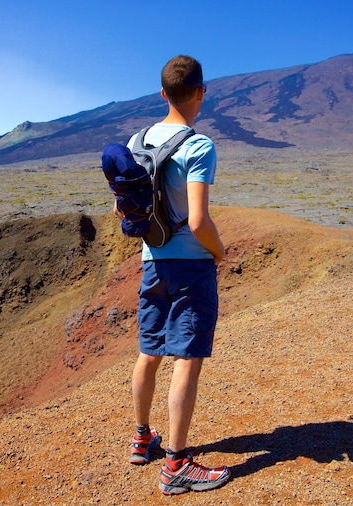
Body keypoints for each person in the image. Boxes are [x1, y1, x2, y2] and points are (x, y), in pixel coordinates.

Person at [116, 55, 229, 495]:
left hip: (151, 263)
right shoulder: (199, 146)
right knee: (187, 358)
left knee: (150, 351)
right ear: (201, 92)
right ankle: (177, 465)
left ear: (162, 93)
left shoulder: (136, 140)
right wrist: (219, 253)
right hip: (191, 266)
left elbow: (121, 208)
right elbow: (199, 221)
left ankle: (142, 439)